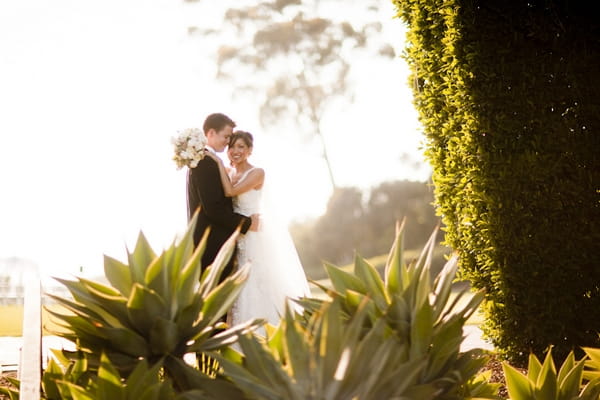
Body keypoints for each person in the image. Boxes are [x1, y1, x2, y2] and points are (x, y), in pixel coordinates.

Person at [205, 130, 311, 328]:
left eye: (241, 147)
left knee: (257, 279)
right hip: (237, 236)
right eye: (232, 147)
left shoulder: (256, 173)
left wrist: (218, 163)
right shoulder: (230, 172)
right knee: (240, 281)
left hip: (254, 236)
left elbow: (230, 192)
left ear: (250, 150)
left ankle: (270, 327)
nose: (235, 151)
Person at [186, 113, 259, 278]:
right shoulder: (205, 161)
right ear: (211, 133)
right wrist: (247, 223)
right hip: (213, 246)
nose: (228, 142)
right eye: (226, 137)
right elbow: (213, 209)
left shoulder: (202, 159)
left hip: (215, 244)